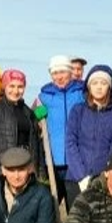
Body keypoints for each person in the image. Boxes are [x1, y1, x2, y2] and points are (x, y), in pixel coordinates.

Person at [66, 64, 112, 204]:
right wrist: (81, 177)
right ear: (88, 87)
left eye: (103, 83)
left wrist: (104, 175)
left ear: (110, 87)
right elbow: (71, 143)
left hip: (103, 180)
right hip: (75, 179)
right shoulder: (78, 111)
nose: (99, 87)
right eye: (95, 83)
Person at [36, 55, 85, 204]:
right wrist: (36, 115)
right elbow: (34, 122)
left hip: (75, 162)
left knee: (76, 207)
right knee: (51, 207)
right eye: (55, 73)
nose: (59, 77)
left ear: (70, 73)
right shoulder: (44, 96)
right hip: (52, 162)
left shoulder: (81, 94)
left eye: (62, 72)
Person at [0, 69, 40, 185]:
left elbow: (34, 144)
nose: (16, 91)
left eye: (20, 87)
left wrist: (36, 170)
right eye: (11, 86)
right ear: (4, 87)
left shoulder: (28, 112)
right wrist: (10, 160)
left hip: (23, 174)